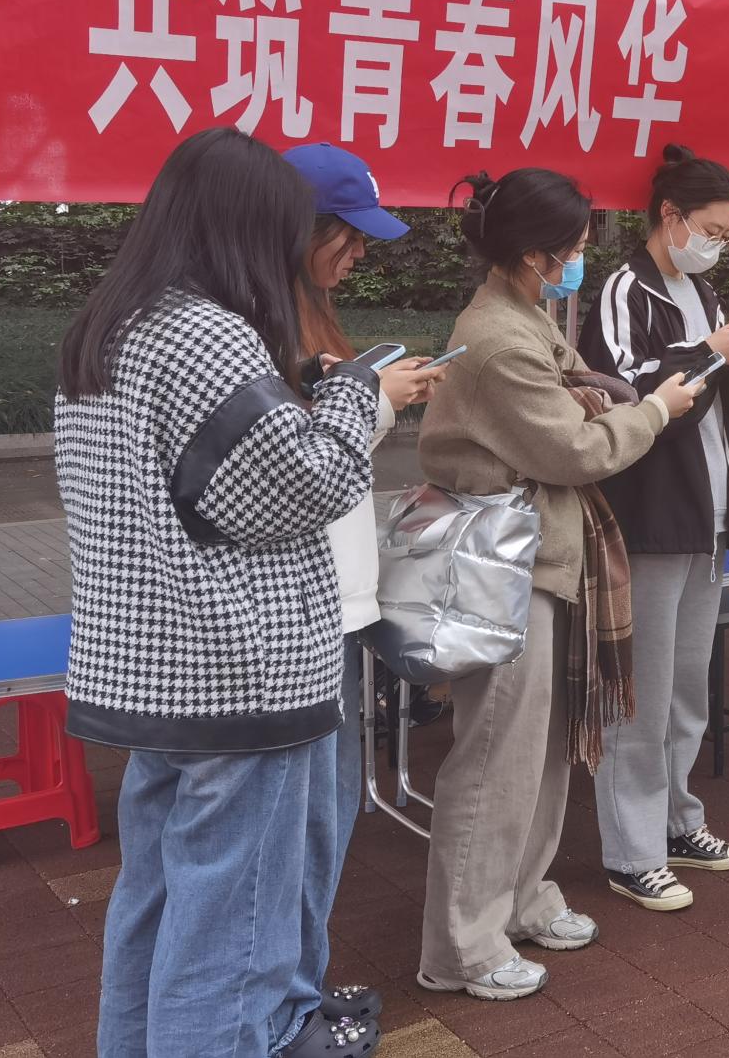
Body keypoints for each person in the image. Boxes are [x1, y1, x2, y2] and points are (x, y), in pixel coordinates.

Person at [56, 129, 385, 1058]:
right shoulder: (208, 332)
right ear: (247, 224)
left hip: (147, 669)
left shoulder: (106, 326)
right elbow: (301, 488)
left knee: (155, 906)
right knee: (232, 938)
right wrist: (354, 394)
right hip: (236, 673)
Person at [416, 169, 696, 1000]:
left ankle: (522, 900)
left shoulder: (524, 314)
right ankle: (461, 947)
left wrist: (604, 408)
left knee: (542, 752)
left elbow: (580, 406)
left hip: (542, 556)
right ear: (534, 253)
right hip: (507, 565)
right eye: (571, 249)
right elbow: (574, 449)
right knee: (495, 757)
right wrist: (654, 411)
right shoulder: (500, 337)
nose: (578, 261)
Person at [578, 145, 729, 912]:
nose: (717, 245)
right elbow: (627, 393)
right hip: (649, 517)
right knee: (641, 694)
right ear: (671, 216)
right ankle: (632, 852)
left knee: (687, 687)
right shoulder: (624, 288)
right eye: (711, 230)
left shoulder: (705, 292)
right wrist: (710, 352)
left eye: (727, 235)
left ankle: (676, 821)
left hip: (708, 516)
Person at [282, 142, 446, 1033]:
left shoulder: (301, 312)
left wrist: (374, 394)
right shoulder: (252, 326)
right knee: (299, 827)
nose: (356, 256)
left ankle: (297, 991)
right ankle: (286, 1007)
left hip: (335, 601)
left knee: (323, 815)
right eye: (346, 237)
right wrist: (378, 399)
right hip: (304, 611)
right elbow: (298, 468)